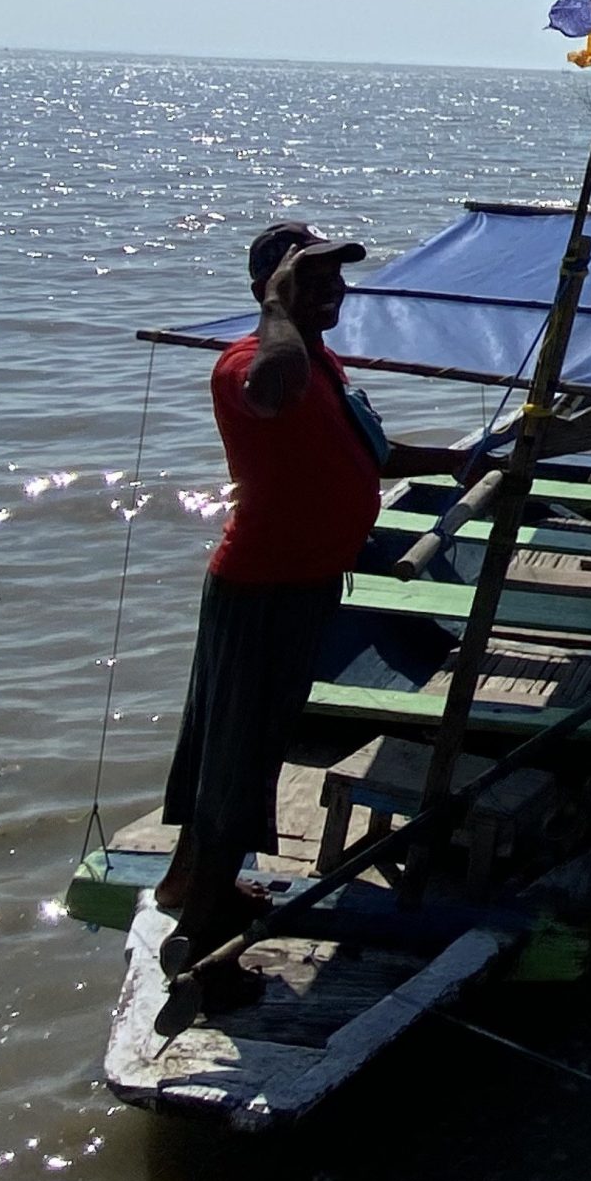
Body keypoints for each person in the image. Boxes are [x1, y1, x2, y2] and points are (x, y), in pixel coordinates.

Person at [152, 220, 471, 1004]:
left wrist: (459, 460)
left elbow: (378, 455)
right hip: (260, 592)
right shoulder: (251, 366)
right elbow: (271, 389)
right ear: (271, 288)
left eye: (336, 278)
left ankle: (189, 884)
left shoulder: (320, 364)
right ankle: (203, 949)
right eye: (312, 279)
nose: (333, 290)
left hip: (304, 588)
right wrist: (276, 310)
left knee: (243, 751)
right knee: (236, 762)